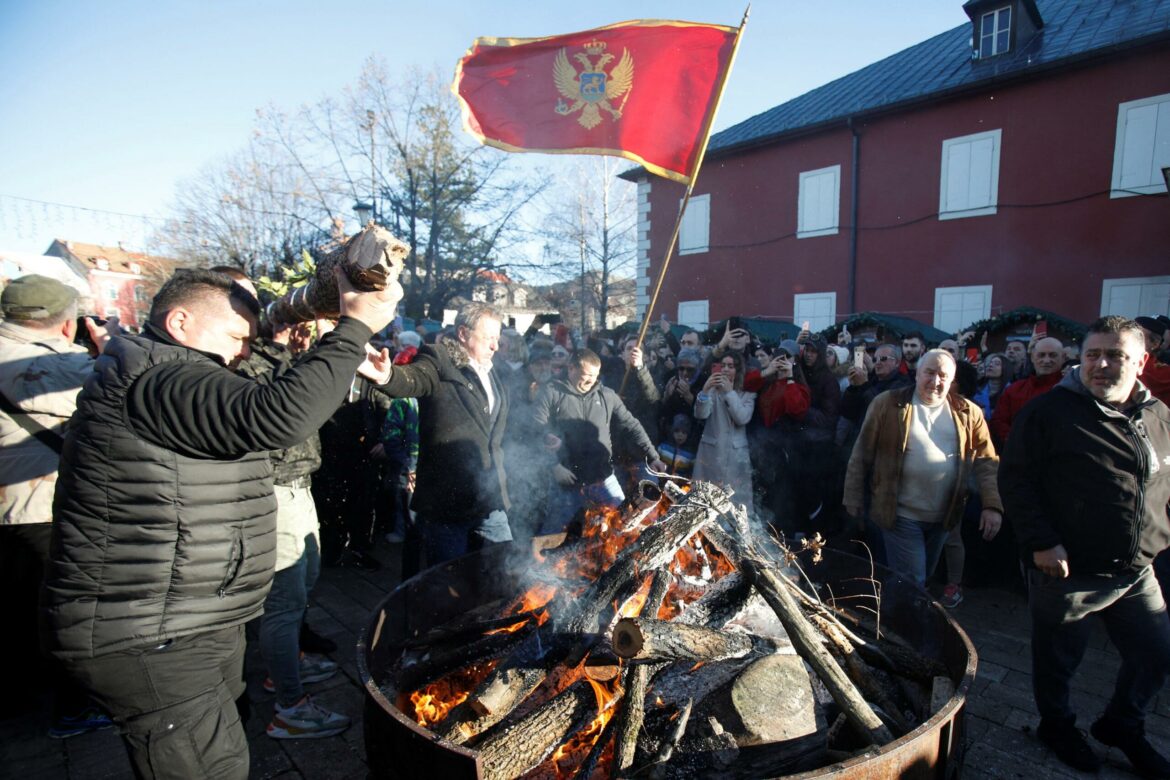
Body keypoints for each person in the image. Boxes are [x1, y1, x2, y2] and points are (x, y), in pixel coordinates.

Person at [42, 267, 400, 779]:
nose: (242, 353)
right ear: (181, 321)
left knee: (225, 744)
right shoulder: (160, 378)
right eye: (236, 337)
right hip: (152, 633)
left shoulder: (161, 369)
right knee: (209, 767)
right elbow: (276, 415)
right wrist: (354, 326)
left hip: (181, 619)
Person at [999, 316, 1170, 777]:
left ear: (1141, 361)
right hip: (1068, 572)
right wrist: (1041, 542)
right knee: (1058, 663)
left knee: (1156, 653)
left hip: (1136, 570)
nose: (1101, 364)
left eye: (1115, 355)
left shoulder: (1158, 416)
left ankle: (1122, 724)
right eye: (1093, 354)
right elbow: (1016, 481)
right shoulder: (1050, 413)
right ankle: (1058, 726)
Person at [0, 275, 114, 736]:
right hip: (41, 505)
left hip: (12, 507)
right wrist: (109, 346)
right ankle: (73, 708)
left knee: (17, 606)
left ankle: (19, 698)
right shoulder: (41, 362)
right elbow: (116, 388)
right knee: (67, 609)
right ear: (66, 322)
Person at [364, 303, 511, 566]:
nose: (495, 346)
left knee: (503, 571)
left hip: (489, 498)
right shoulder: (438, 358)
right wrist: (387, 375)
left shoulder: (492, 371)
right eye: (489, 338)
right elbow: (413, 378)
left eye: (497, 339)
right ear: (464, 334)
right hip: (447, 502)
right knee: (446, 583)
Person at [843, 349, 1003, 589]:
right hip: (899, 512)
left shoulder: (969, 413)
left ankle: (899, 614)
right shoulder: (887, 403)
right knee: (913, 580)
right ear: (917, 373)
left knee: (922, 576)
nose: (935, 381)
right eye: (929, 372)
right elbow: (862, 452)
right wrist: (853, 494)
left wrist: (992, 504)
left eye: (943, 376)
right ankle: (900, 623)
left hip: (944, 514)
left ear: (952, 381)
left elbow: (986, 460)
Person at [533, 348, 666, 534]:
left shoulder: (606, 395)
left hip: (603, 478)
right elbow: (535, 431)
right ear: (571, 369)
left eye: (595, 375)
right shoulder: (551, 392)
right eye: (587, 375)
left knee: (624, 525)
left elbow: (632, 425)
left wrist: (653, 456)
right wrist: (554, 466)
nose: (591, 381)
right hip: (567, 482)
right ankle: (536, 562)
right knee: (554, 531)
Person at [693, 351, 757, 515]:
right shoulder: (713, 391)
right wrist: (705, 390)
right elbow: (701, 414)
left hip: (736, 457)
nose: (726, 369)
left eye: (731, 366)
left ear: (738, 370)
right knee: (705, 505)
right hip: (711, 454)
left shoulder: (748, 393)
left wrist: (730, 393)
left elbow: (742, 418)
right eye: (723, 365)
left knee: (735, 506)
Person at [990, 336, 1064, 447]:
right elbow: (999, 421)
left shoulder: (1070, 390)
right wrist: (1018, 441)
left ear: (1063, 358)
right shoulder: (1014, 390)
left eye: (1053, 355)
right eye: (1041, 355)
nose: (1046, 360)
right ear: (1033, 358)